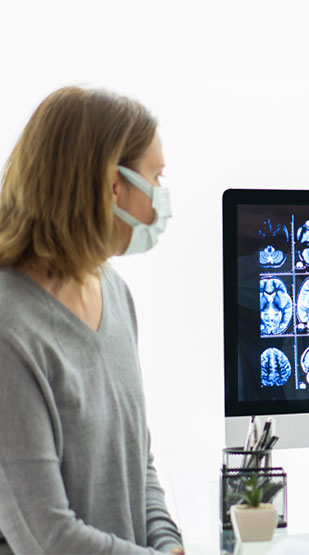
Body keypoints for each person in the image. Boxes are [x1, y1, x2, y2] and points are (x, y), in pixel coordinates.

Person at [0, 87, 182, 554]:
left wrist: (167, 542)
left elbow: (138, 461)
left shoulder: (114, 293)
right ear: (112, 185)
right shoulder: (10, 329)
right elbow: (45, 538)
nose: (160, 199)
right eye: (155, 177)